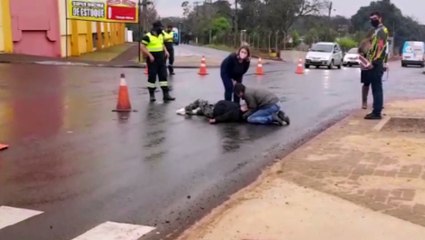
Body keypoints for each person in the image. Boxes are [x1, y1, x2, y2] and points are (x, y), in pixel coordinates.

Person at [140, 21, 175, 102]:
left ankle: (166, 95)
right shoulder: (147, 36)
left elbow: (162, 44)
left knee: (163, 76)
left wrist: (166, 51)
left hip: (161, 59)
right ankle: (152, 95)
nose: (162, 29)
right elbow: (142, 47)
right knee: (152, 77)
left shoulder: (161, 35)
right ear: (156, 28)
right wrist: (149, 55)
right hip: (152, 60)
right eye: (160, 27)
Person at [363, 11, 388, 120]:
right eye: (371, 19)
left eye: (375, 18)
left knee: (377, 88)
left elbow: (380, 47)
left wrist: (374, 61)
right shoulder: (377, 31)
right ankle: (376, 110)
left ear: (380, 18)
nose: (373, 20)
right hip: (375, 61)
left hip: (376, 63)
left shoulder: (382, 31)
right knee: (375, 87)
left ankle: (377, 112)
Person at [177, 99, 247, 124]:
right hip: (214, 107)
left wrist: (215, 120)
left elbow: (226, 116)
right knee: (201, 111)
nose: (244, 105)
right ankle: (189, 112)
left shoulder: (236, 112)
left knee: (200, 101)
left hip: (213, 112)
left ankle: (185, 109)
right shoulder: (238, 107)